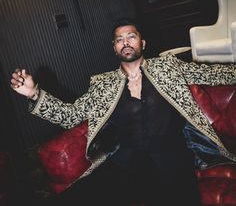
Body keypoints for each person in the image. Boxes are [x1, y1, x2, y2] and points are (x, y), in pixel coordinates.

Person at [10, 18, 236, 206]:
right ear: (114, 47)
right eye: (119, 39)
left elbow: (213, 74)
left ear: (143, 43)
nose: (125, 42)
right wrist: (34, 94)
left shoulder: (168, 67)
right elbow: (71, 115)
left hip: (172, 159)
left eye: (131, 36)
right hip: (125, 162)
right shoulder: (102, 84)